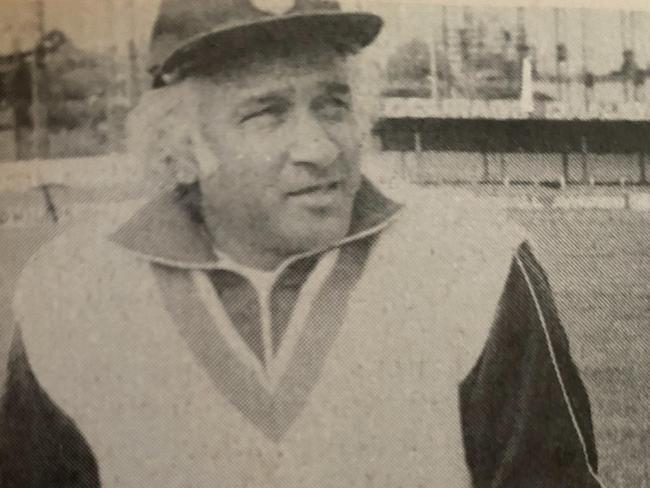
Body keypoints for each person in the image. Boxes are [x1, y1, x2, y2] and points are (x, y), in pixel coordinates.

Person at [1, 0, 601, 487]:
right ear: (180, 146)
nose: (319, 148)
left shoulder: (478, 262)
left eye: (332, 104)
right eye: (266, 113)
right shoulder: (70, 292)